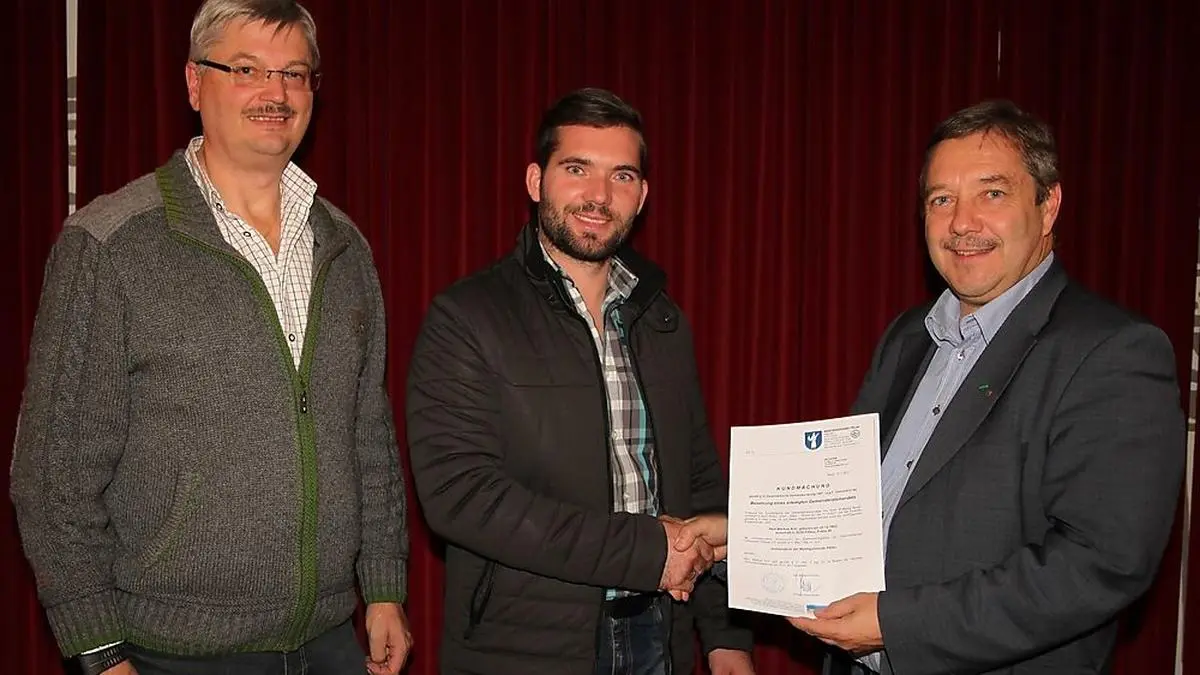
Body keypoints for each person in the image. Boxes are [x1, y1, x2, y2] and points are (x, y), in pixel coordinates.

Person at [10, 1, 412, 674]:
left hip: (332, 643)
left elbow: (368, 434)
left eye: (295, 73)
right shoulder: (110, 243)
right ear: (195, 83)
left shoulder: (345, 248)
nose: (275, 93)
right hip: (167, 653)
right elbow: (53, 473)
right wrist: (100, 648)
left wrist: (385, 585)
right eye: (247, 69)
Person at [783, 100, 1186, 674]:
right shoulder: (909, 335)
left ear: (1049, 207)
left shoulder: (1114, 351)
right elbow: (845, 496)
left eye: (991, 194)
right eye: (940, 199)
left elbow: (1102, 562)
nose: (961, 223)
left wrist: (895, 626)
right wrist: (746, 536)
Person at [405, 87, 755, 675]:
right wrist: (646, 552)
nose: (598, 195)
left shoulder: (663, 321)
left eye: (621, 176)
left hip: (659, 636)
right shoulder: (467, 317)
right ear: (536, 181)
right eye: (577, 169)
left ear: (642, 196)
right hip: (526, 647)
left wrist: (725, 638)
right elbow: (460, 496)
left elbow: (699, 484)